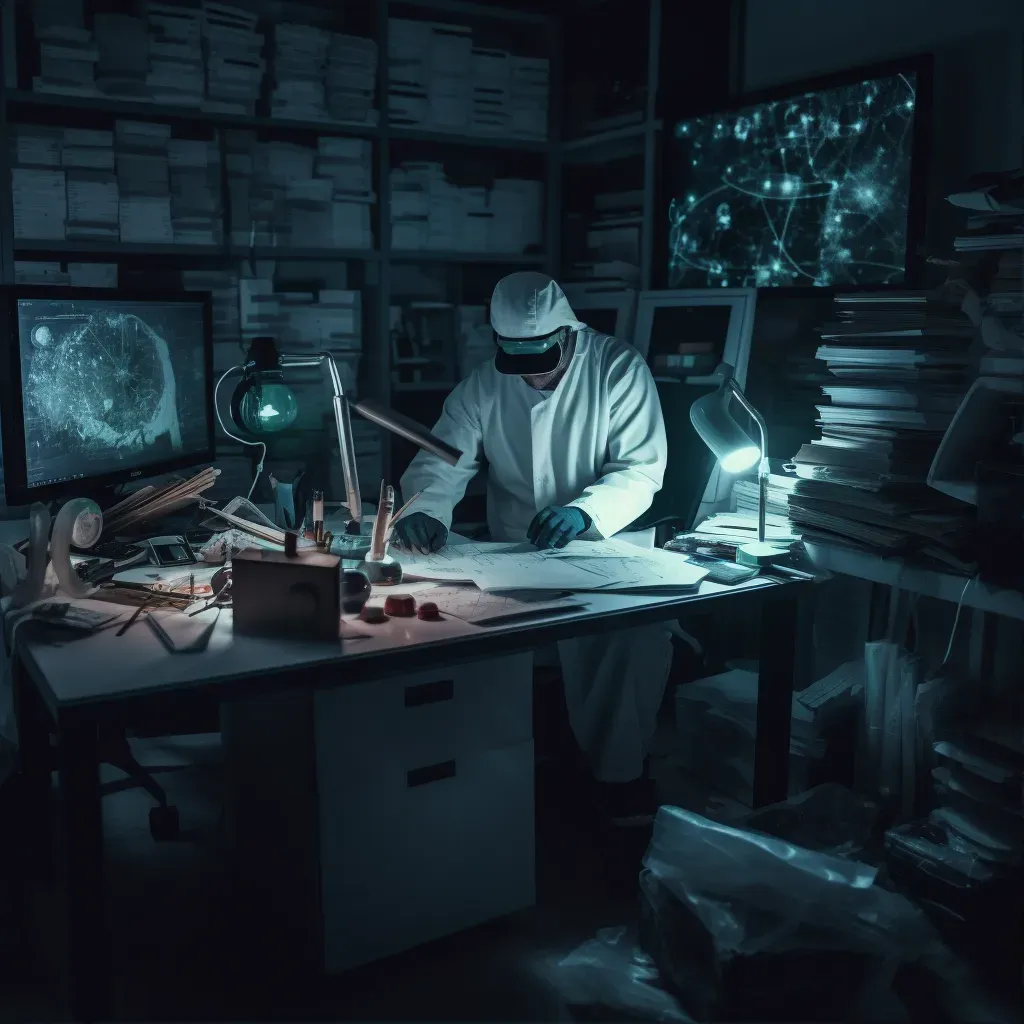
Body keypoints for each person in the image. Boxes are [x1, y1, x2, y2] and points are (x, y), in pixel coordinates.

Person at [393, 271, 672, 827]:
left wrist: (586, 512)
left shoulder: (616, 368)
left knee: (620, 641)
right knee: (466, 639)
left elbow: (641, 470)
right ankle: (492, 782)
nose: (534, 375)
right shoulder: (481, 387)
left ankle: (619, 782)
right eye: (518, 360)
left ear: (568, 333)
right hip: (515, 552)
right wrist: (424, 510)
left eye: (543, 357)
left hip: (602, 545)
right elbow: (441, 462)